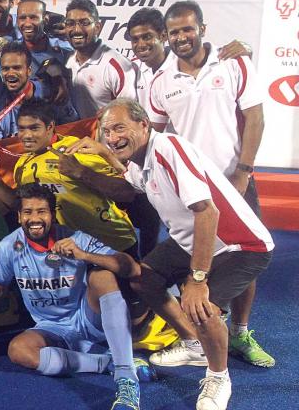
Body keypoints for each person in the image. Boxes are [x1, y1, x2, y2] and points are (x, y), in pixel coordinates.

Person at [70, 98, 273, 410]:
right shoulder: (142, 159)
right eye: (106, 131)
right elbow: (128, 183)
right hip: (192, 241)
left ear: (144, 125)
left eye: (119, 128)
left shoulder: (168, 148)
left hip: (239, 244)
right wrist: (100, 156)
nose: (111, 137)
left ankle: (219, 377)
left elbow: (207, 212)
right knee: (143, 278)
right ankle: (195, 345)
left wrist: (197, 279)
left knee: (201, 306)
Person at [0, 184, 152, 410]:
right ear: (19, 215)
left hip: (88, 319)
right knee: (18, 350)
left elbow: (132, 269)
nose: (35, 218)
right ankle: (107, 362)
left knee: (102, 276)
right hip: (50, 327)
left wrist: (84, 255)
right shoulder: (9, 246)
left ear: (52, 214)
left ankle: (126, 379)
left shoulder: (75, 238)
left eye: (41, 211)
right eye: (28, 212)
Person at [148, 0, 272, 368]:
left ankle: (241, 332)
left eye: (188, 29)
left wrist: (244, 171)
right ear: (166, 36)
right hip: (191, 189)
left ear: (202, 27)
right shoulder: (160, 81)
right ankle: (196, 339)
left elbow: (255, 118)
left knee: (243, 258)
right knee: (193, 253)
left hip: (234, 181)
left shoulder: (235, 62)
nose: (182, 37)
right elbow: (154, 136)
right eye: (174, 32)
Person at [0, 102, 137, 254]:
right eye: (22, 129)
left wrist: (81, 172)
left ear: (50, 127)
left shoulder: (77, 150)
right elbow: (17, 204)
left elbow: (126, 193)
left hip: (112, 244)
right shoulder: (22, 165)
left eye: (34, 128)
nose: (27, 135)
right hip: (70, 252)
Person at [0, 0, 78, 125]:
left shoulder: (65, 51)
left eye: (33, 17)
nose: (27, 23)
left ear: (45, 19)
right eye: (22, 18)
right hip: (18, 127)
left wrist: (59, 77)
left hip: (60, 124)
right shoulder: (7, 55)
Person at [63, 0, 137, 119]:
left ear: (98, 27)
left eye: (84, 23)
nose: (76, 30)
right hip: (74, 135)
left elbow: (129, 115)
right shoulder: (66, 60)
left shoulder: (117, 65)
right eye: (70, 23)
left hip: (107, 136)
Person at [0, 42, 49, 140]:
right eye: (5, 69)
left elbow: (71, 128)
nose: (10, 73)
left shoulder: (52, 93)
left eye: (17, 68)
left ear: (29, 71)